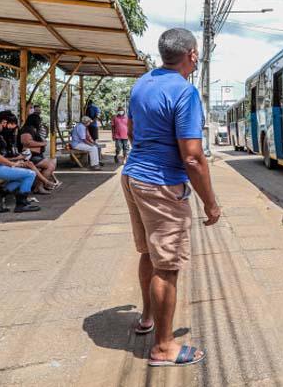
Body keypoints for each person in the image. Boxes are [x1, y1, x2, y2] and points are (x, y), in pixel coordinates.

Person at [122, 27, 220, 367]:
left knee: (149, 252)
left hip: (133, 176)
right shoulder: (185, 93)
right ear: (192, 55)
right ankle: (164, 349)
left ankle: (147, 318)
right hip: (162, 185)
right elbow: (192, 157)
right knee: (168, 266)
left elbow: (133, 133)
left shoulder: (142, 83)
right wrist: (210, 202)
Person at [0, 111, 40, 213]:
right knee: (30, 174)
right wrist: (12, 164)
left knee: (20, 178)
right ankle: (21, 204)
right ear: (4, 122)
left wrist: (14, 161)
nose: (9, 130)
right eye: (9, 126)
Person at [19, 113, 60, 189]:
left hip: (36, 155)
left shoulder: (32, 129)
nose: (40, 123)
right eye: (39, 121)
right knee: (50, 166)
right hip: (30, 156)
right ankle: (39, 187)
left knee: (52, 162)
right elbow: (27, 142)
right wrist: (42, 144)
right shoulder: (27, 129)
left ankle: (41, 185)